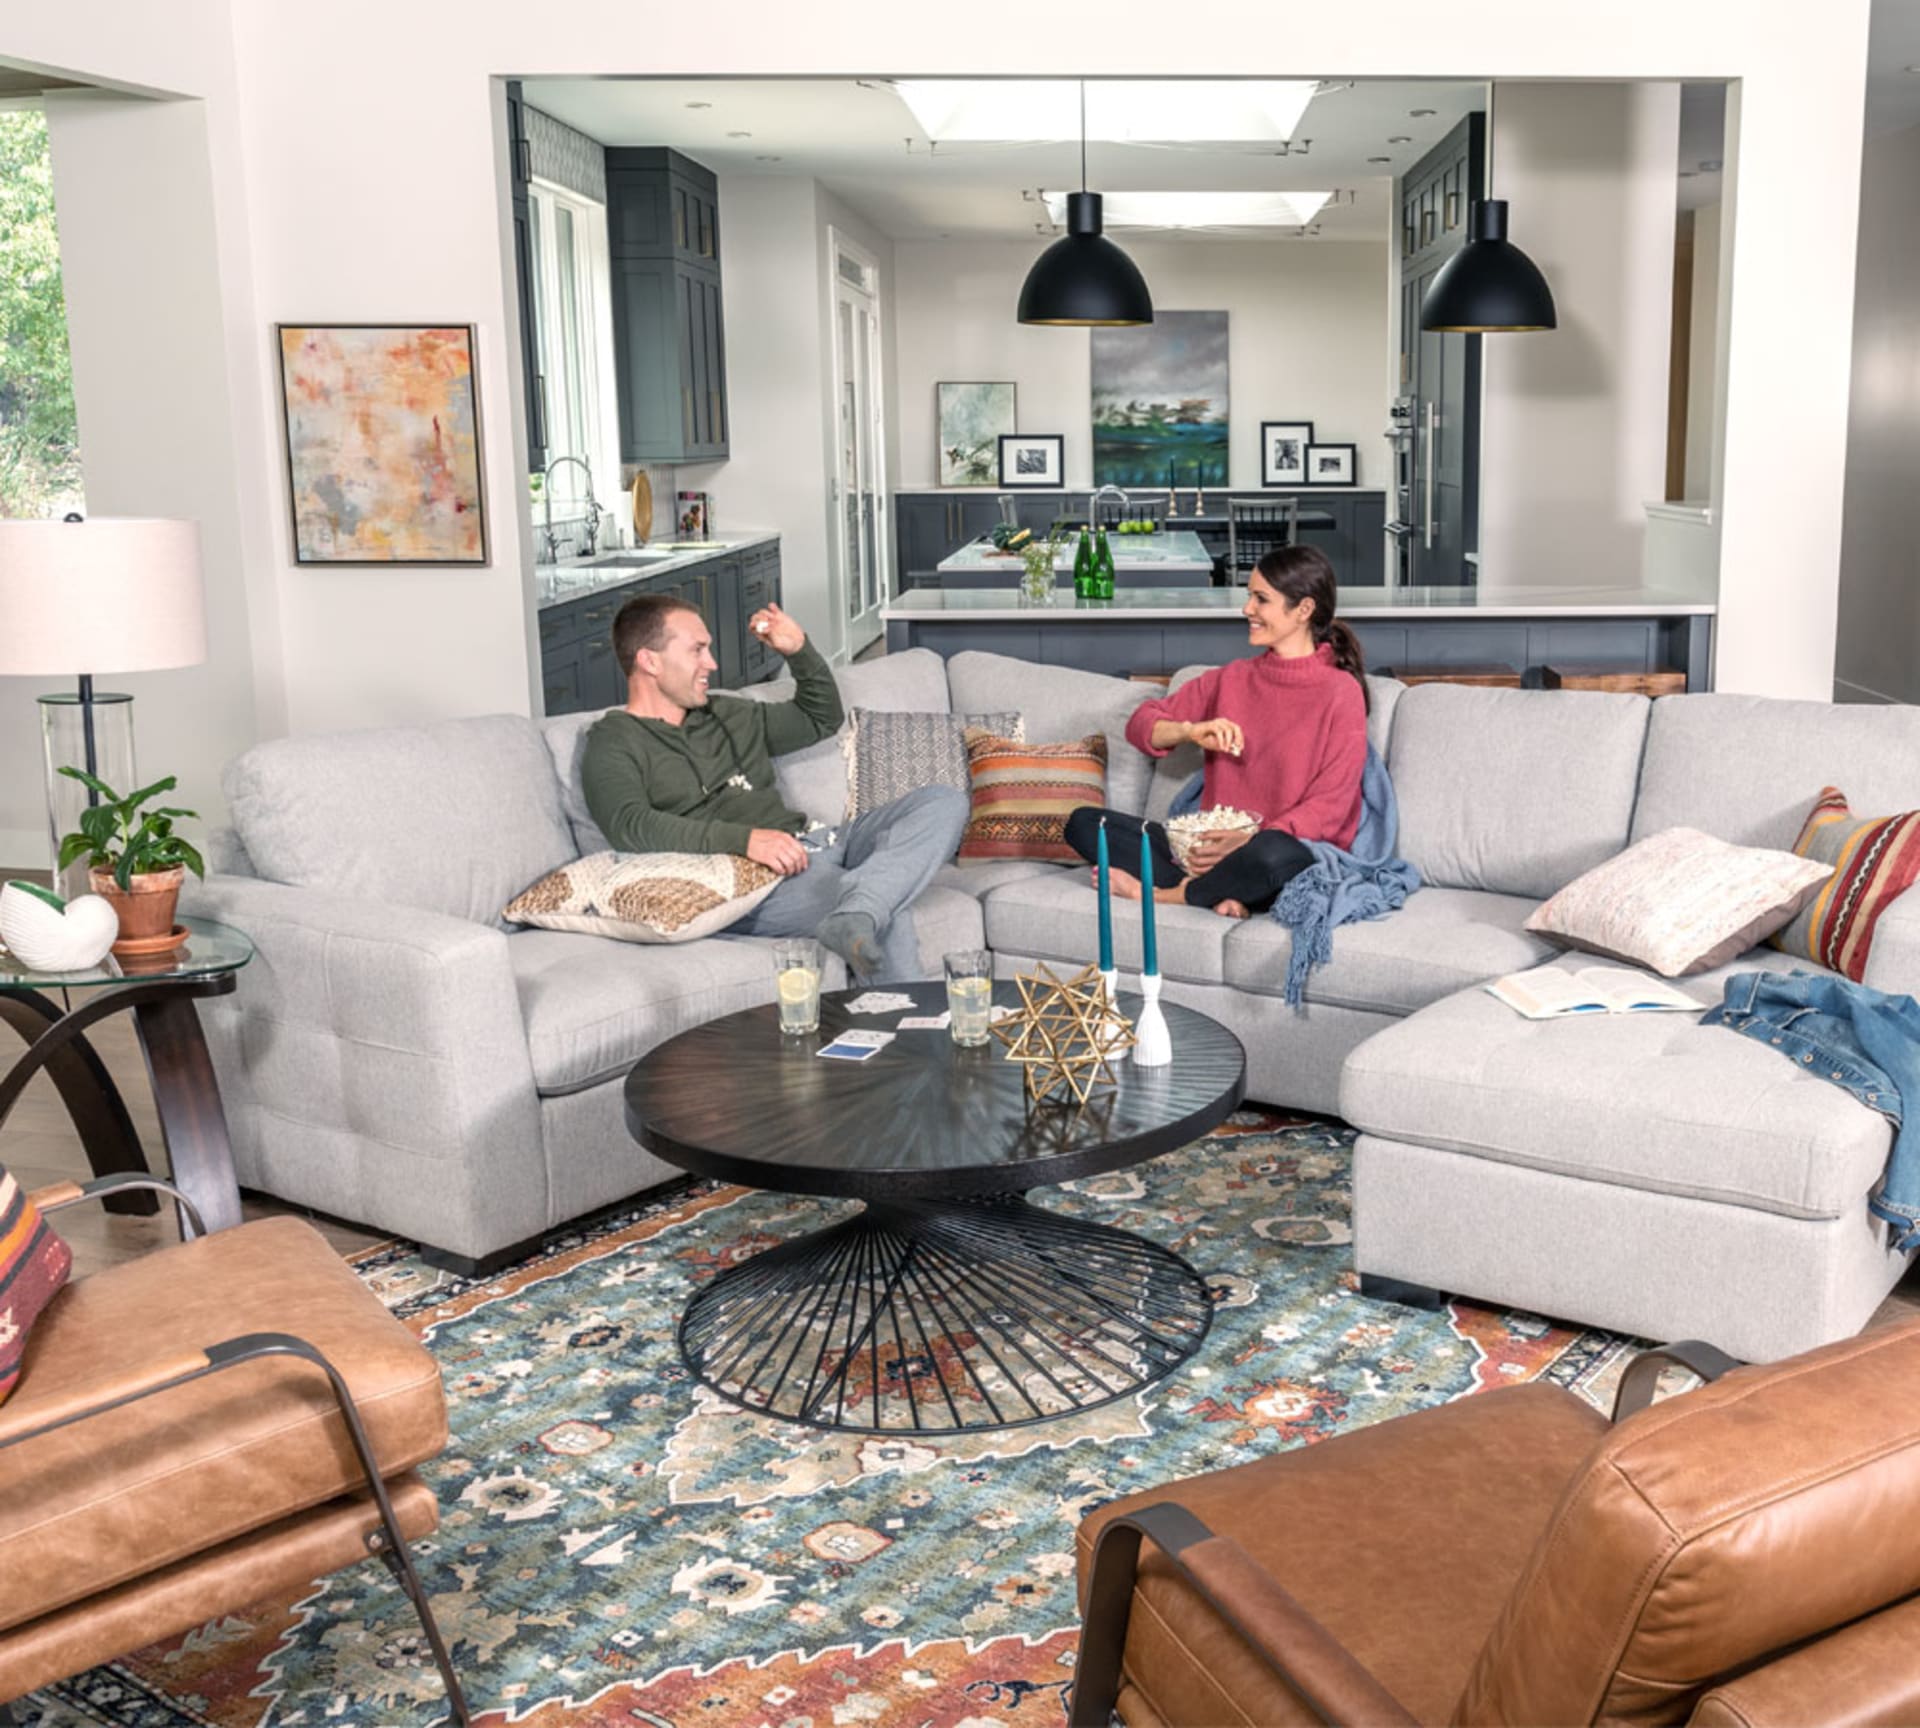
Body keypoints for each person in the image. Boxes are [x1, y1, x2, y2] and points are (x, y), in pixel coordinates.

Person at [580, 593, 967, 981]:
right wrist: (746, 841)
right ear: (649, 660)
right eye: (697, 650)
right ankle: (908, 1027)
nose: (711, 663)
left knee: (943, 800)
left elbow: (820, 718)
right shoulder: (612, 740)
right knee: (879, 910)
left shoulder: (727, 711)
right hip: (756, 883)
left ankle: (863, 905)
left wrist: (799, 651)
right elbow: (629, 826)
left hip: (822, 841)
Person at [1064, 544, 1369, 920]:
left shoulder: (1341, 692)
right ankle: (1224, 893)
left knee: (1273, 854)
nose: (1247, 610)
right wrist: (1190, 731)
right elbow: (1141, 725)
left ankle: (1165, 895)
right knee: (1084, 823)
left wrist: (1248, 839)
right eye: (1248, 597)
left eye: (1261, 599)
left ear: (1303, 610)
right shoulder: (1232, 678)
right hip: (1205, 853)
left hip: (1278, 852)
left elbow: (1331, 806)